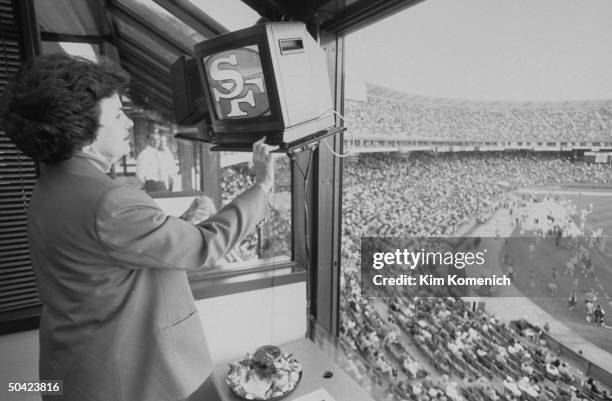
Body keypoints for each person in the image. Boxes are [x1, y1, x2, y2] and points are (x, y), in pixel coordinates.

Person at [1, 54, 278, 401]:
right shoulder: (109, 200)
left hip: (68, 371)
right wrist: (262, 187)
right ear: (82, 134)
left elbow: (104, 253)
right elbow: (202, 246)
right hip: (129, 378)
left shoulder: (48, 184)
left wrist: (175, 223)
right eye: (117, 115)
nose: (129, 124)